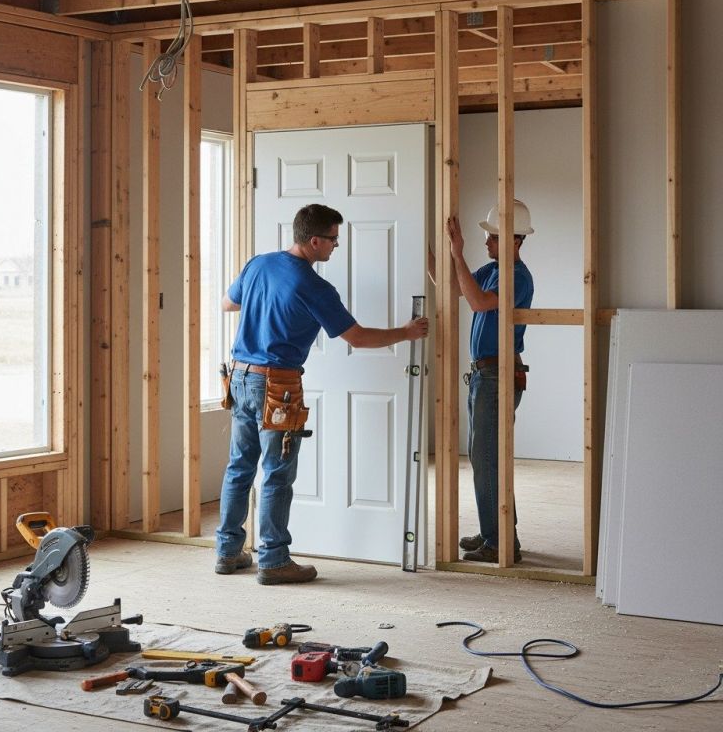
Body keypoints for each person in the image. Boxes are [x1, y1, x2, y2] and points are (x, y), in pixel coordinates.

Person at [216, 203, 429, 585]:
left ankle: (228, 552)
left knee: (239, 467)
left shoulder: (259, 264)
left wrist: (265, 304)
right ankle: (273, 561)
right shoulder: (313, 287)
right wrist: (406, 332)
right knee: (276, 473)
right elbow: (357, 338)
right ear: (314, 241)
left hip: (240, 376)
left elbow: (228, 303)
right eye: (332, 239)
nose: (336, 245)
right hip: (277, 387)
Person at [430, 200, 534, 564]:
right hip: (483, 376)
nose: (487, 241)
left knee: (487, 458)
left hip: (497, 376)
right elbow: (452, 286)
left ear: (515, 240)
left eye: (493, 236)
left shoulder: (517, 277)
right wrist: (430, 250)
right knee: (486, 458)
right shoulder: (492, 270)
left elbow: (475, 302)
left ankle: (498, 541)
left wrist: (458, 253)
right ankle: (497, 530)